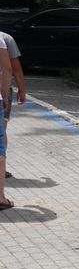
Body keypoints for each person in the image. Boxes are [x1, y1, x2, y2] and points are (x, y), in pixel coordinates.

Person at [0, 29, 25, 210]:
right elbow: (12, 67)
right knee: (1, 138)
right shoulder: (4, 38)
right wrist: (19, 89)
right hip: (1, 91)